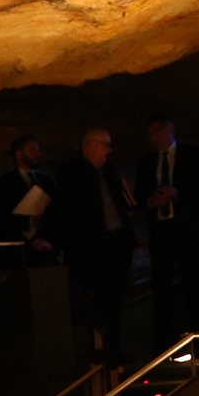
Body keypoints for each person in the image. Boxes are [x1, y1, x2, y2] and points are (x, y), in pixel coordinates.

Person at [52, 128, 138, 365]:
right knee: (96, 303)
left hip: (116, 245)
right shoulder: (72, 174)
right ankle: (100, 350)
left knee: (114, 300)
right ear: (89, 146)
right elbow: (64, 212)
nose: (109, 150)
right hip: (91, 249)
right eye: (105, 145)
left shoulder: (108, 171)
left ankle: (113, 350)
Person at [135, 115, 199, 349]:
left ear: (169, 129)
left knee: (194, 286)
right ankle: (164, 343)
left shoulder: (191, 154)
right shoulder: (147, 161)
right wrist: (151, 200)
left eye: (157, 131)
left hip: (187, 231)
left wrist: (177, 193)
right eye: (151, 134)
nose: (154, 138)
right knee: (162, 289)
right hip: (161, 232)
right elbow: (138, 195)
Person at [0, 134, 56, 259]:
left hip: (46, 246)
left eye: (38, 150)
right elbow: (1, 215)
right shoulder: (5, 182)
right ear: (19, 154)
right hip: (19, 249)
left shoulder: (47, 180)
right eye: (32, 150)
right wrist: (30, 221)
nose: (38, 154)